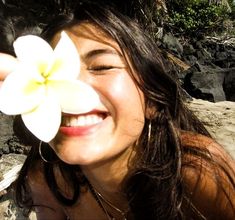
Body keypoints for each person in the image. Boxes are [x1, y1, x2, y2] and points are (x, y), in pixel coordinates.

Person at [0, 1, 235, 219]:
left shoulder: (195, 176)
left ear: (152, 100)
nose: (75, 87)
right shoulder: (47, 181)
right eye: (64, 73)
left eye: (102, 67)